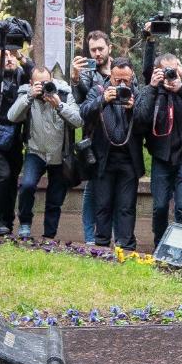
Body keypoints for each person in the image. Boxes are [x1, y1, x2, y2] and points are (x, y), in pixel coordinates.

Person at [137, 53, 182, 248]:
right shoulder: (151, 90)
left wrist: (181, 89)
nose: (169, 75)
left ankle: (181, 250)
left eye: (173, 71)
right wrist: (152, 88)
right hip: (161, 158)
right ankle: (160, 244)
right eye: (166, 71)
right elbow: (141, 118)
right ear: (157, 71)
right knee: (160, 207)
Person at [8, 66, 83, 240]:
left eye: (46, 82)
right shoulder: (26, 94)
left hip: (59, 155)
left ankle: (49, 235)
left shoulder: (63, 92)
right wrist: (29, 96)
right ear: (31, 83)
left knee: (55, 198)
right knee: (27, 186)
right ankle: (25, 224)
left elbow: (78, 121)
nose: (43, 87)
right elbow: (12, 116)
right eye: (38, 84)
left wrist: (60, 105)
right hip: (36, 151)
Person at [80, 59, 144, 249]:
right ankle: (101, 245)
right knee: (103, 204)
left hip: (128, 160)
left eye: (127, 80)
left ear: (132, 77)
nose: (123, 85)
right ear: (111, 77)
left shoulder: (138, 95)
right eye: (118, 81)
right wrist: (103, 101)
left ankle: (125, 245)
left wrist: (134, 109)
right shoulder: (98, 90)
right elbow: (83, 113)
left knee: (126, 206)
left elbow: (146, 124)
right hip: (103, 158)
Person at [0, 46, 33, 236]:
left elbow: (36, 74)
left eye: (12, 55)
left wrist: (21, 56)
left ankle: (7, 221)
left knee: (11, 178)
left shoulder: (21, 76)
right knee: (3, 174)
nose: (9, 59)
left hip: (14, 135)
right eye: (5, 56)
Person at [71, 30, 115, 245]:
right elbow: (82, 102)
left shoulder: (121, 68)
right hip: (94, 137)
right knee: (92, 189)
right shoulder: (88, 73)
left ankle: (110, 236)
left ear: (109, 48)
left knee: (111, 191)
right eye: (93, 50)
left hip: (117, 138)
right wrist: (76, 78)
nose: (97, 54)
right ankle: (90, 237)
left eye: (100, 49)